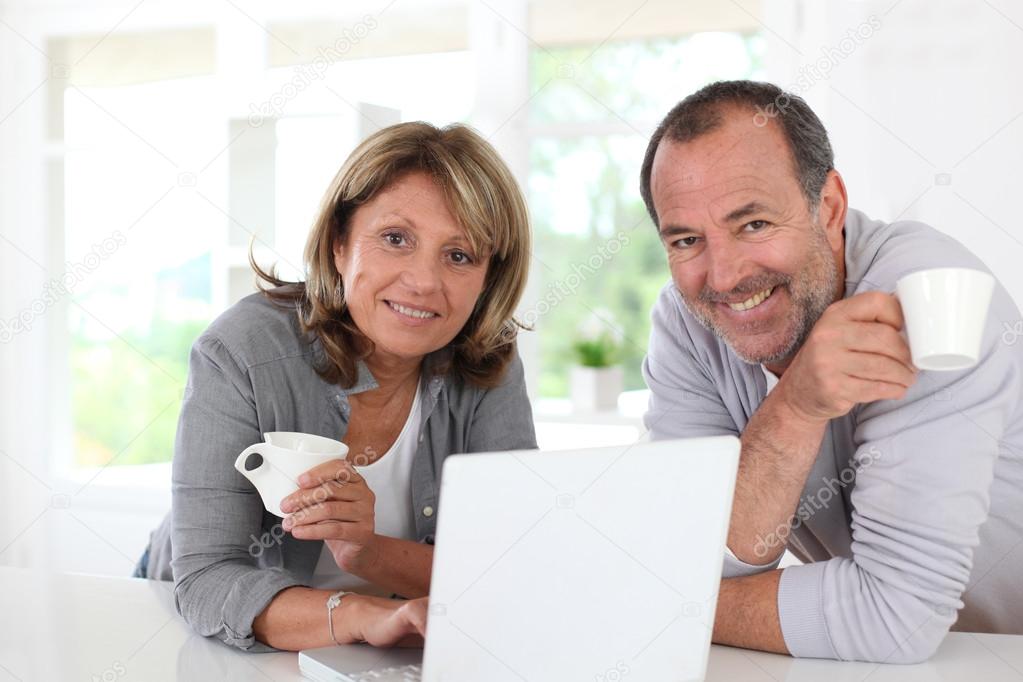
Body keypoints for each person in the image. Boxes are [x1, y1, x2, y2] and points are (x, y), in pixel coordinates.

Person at [640, 80, 1023, 663]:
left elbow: (892, 620)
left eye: (754, 225)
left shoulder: (933, 297)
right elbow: (689, 553)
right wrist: (797, 405)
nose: (721, 277)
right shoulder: (687, 320)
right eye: (688, 239)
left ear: (828, 207)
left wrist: (666, 602)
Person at [134, 121, 536, 652]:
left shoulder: (488, 364)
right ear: (339, 243)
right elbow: (208, 580)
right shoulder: (243, 350)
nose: (424, 282)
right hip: (193, 639)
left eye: (459, 255)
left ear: (488, 277)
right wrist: (360, 616)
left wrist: (367, 551)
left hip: (380, 647)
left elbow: (509, 574)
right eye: (396, 239)